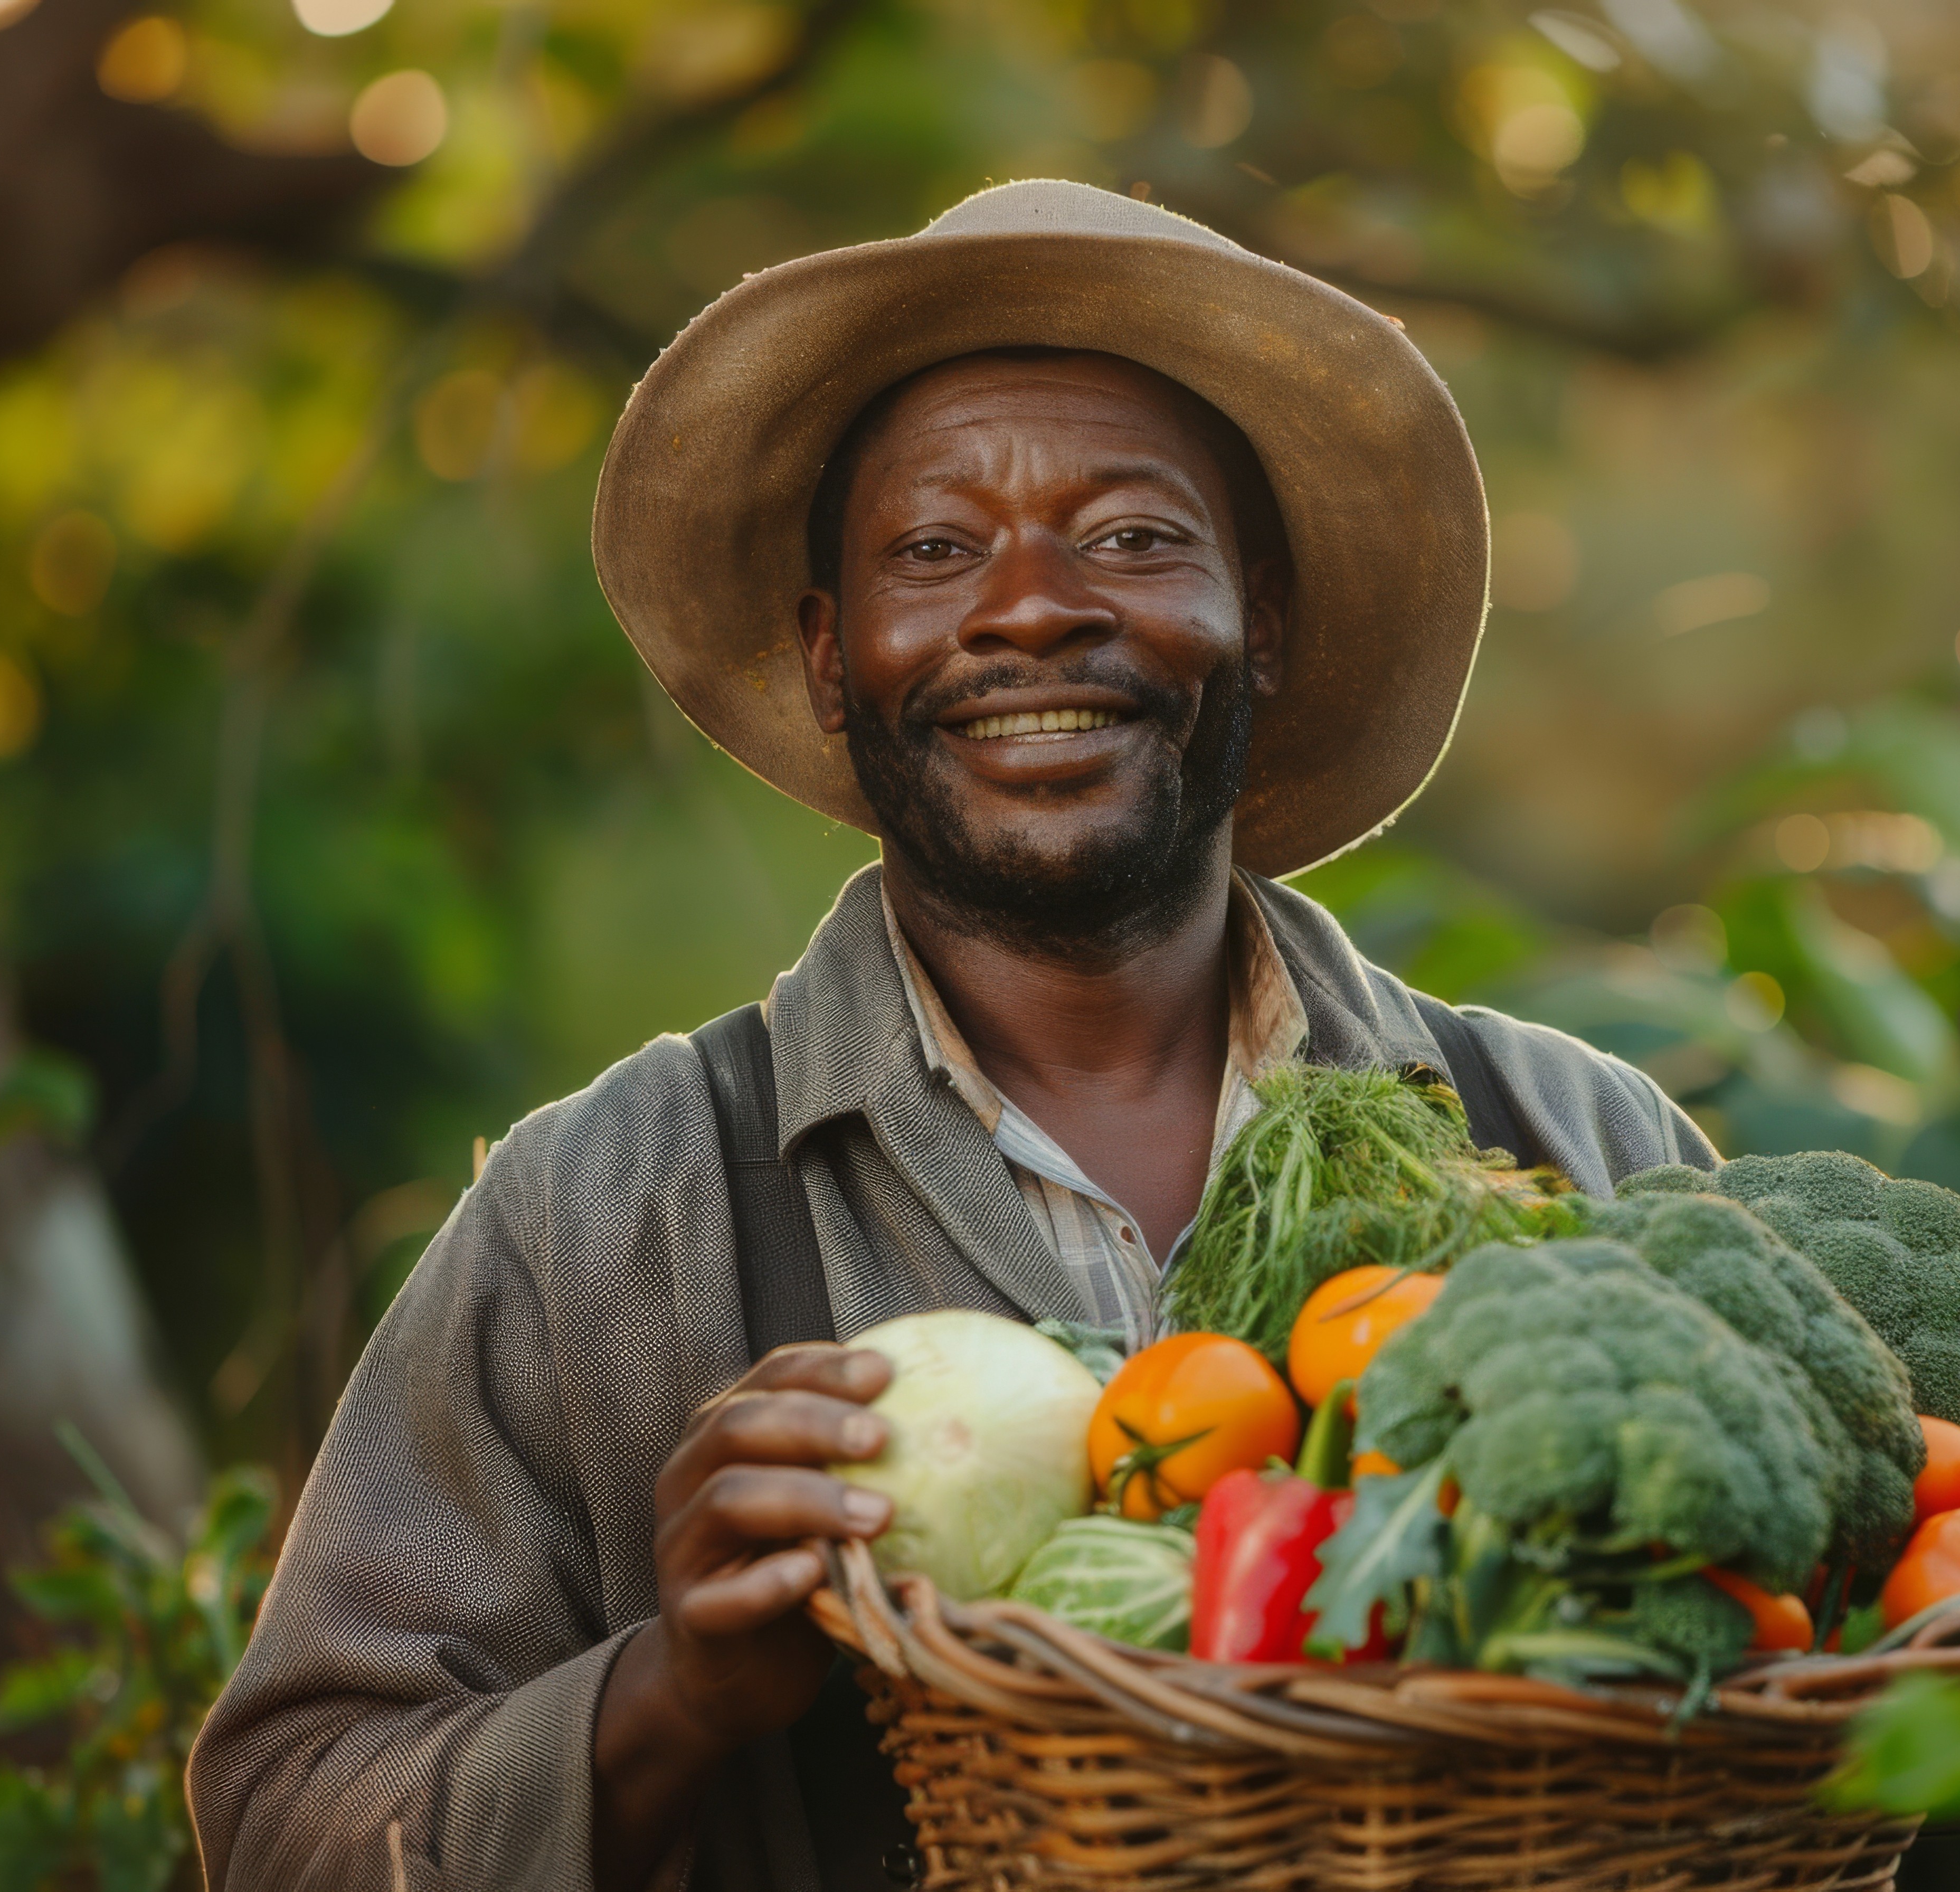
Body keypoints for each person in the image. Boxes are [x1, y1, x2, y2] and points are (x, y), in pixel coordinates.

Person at [187, 179, 1717, 1892]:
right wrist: (674, 1700)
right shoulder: (610, 1219)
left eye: (1134, 537)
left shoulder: (1584, 1149)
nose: (1031, 607)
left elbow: (1881, 1686)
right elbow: (287, 1824)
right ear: (834, 658)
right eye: (933, 552)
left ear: (1262, 618)